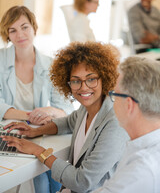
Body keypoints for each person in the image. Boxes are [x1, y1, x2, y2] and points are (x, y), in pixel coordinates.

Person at [1, 41, 129, 193]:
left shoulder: (115, 123)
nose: (83, 87)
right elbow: (69, 121)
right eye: (76, 81)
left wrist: (39, 151)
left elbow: (82, 181)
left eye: (91, 79)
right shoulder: (87, 108)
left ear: (104, 78)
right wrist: (35, 131)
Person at [93, 56, 160, 193]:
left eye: (114, 94)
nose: (112, 101)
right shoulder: (143, 145)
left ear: (129, 105)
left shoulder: (141, 171)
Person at [0, 6, 74, 125]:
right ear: (7, 35)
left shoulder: (51, 65)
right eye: (13, 30)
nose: (20, 35)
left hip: (36, 129)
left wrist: (50, 110)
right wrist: (33, 116)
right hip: (5, 129)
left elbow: (67, 110)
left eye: (24, 27)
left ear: (34, 28)